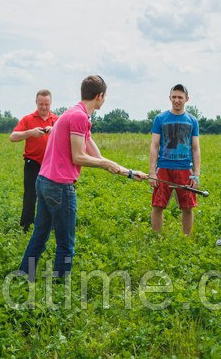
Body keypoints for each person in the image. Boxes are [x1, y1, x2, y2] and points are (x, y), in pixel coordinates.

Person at [19, 75, 146, 282]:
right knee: (66, 242)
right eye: (104, 97)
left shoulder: (76, 115)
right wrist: (106, 165)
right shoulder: (78, 117)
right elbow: (78, 156)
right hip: (59, 186)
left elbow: (96, 155)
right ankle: (60, 287)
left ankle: (24, 275)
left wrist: (129, 172)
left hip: (44, 181)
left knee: (40, 235)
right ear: (100, 96)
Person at [149, 84, 201, 235]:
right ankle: (157, 238)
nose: (177, 100)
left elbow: (196, 148)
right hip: (164, 168)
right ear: (169, 98)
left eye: (180, 97)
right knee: (157, 205)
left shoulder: (192, 121)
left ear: (186, 99)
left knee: (187, 207)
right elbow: (154, 146)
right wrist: (152, 172)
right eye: (174, 97)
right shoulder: (160, 119)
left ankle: (186, 238)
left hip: (185, 169)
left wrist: (196, 174)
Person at [10, 90, 59, 232]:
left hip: (52, 164)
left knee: (52, 196)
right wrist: (29, 133)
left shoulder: (57, 120)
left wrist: (55, 130)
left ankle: (51, 227)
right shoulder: (28, 119)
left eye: (47, 104)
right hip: (33, 163)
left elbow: (68, 138)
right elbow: (13, 137)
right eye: (41, 104)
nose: (44, 107)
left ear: (51, 103)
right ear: (36, 102)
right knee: (30, 196)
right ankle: (26, 227)